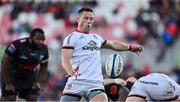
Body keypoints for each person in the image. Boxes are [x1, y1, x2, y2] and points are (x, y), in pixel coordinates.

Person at [60, 7, 143, 102]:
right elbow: (65, 59)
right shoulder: (72, 37)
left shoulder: (96, 38)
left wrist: (130, 47)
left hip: (95, 84)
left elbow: (112, 44)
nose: (89, 21)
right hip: (76, 82)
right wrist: (69, 70)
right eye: (86, 18)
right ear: (78, 19)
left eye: (91, 19)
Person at [1, 28, 49, 101]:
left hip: (28, 74)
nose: (41, 42)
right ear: (30, 38)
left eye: (43, 40)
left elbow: (44, 66)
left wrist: (38, 82)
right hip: (11, 73)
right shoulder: (16, 45)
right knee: (10, 98)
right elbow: (4, 63)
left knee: (33, 98)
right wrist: (8, 83)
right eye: (38, 39)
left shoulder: (44, 49)